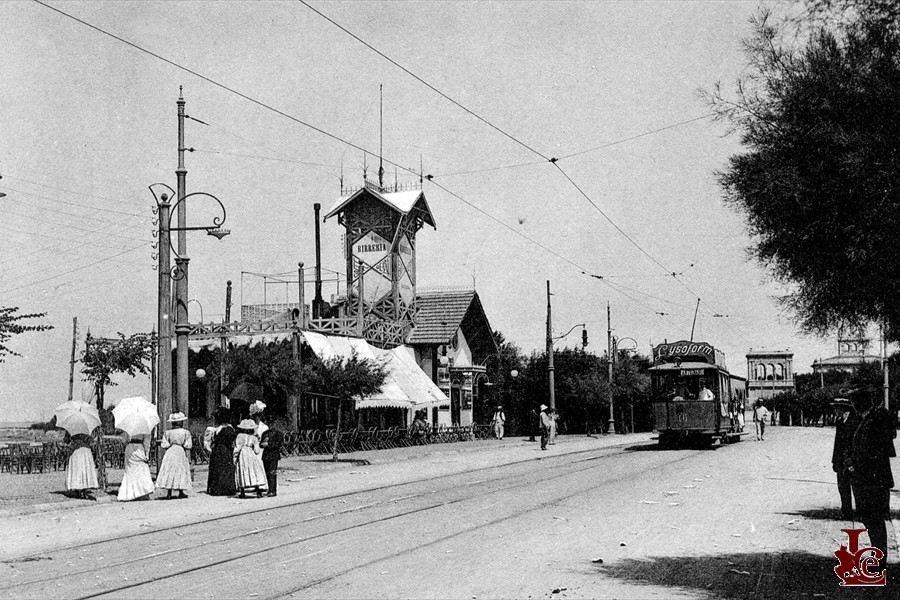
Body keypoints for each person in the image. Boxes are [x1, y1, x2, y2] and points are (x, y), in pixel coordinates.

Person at [846, 388, 896, 571]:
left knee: (875, 520)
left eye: (855, 402)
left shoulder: (875, 420)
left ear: (862, 403)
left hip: (873, 480)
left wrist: (854, 462)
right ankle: (878, 557)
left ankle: (880, 561)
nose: (853, 406)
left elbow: (872, 451)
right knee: (871, 520)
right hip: (868, 479)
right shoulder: (867, 420)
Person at [830, 398, 858, 520]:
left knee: (856, 487)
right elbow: (837, 443)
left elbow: (855, 444)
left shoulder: (855, 421)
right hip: (841, 460)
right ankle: (846, 512)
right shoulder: (840, 421)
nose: (835, 410)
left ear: (844, 409)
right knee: (842, 486)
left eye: (837, 408)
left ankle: (860, 512)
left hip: (851, 460)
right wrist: (835, 461)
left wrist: (853, 460)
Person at [155, 412, 192, 499]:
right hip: (180, 450)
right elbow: (188, 445)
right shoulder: (185, 432)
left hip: (170, 451)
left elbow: (164, 444)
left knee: (170, 469)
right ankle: (180, 491)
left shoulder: (168, 432)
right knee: (180, 469)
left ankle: (169, 492)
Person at [234, 418, 268, 498]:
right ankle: (258, 490)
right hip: (251, 454)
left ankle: (242, 491)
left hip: (242, 454)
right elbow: (257, 451)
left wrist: (235, 457)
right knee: (254, 470)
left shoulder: (239, 436)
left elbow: (237, 447)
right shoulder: (254, 438)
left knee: (243, 470)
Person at [206, 411, 237, 497]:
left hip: (217, 449)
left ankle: (217, 488)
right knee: (225, 469)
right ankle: (226, 488)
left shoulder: (217, 429)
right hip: (226, 450)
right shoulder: (229, 428)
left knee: (218, 469)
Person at [117, 433, 154, 502]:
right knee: (142, 469)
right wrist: (147, 454)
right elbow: (147, 443)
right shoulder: (144, 428)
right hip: (139, 449)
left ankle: (129, 493)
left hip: (130, 448)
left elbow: (124, 440)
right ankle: (143, 492)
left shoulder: (129, 426)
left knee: (130, 471)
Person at [65, 432, 99, 500]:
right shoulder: (86, 429)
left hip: (76, 450)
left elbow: (66, 441)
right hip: (85, 450)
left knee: (77, 469)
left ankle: (78, 489)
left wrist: (71, 441)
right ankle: (84, 488)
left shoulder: (71, 429)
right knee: (85, 468)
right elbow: (92, 441)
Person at [260, 417, 283, 497]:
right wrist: (262, 444)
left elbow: (279, 444)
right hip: (266, 455)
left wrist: (269, 444)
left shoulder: (278, 433)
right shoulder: (265, 433)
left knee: (272, 472)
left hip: (273, 455)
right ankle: (270, 489)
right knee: (267, 473)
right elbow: (261, 444)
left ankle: (273, 490)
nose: (271, 424)